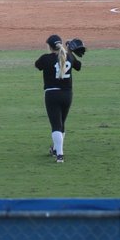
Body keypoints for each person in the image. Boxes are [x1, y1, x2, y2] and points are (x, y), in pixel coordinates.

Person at [34, 34, 84, 164]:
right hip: (67, 95)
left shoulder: (46, 58)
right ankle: (56, 149)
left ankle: (60, 155)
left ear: (50, 47)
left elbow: (37, 65)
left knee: (56, 125)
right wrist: (69, 52)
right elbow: (78, 66)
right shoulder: (68, 57)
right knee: (61, 123)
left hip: (52, 95)